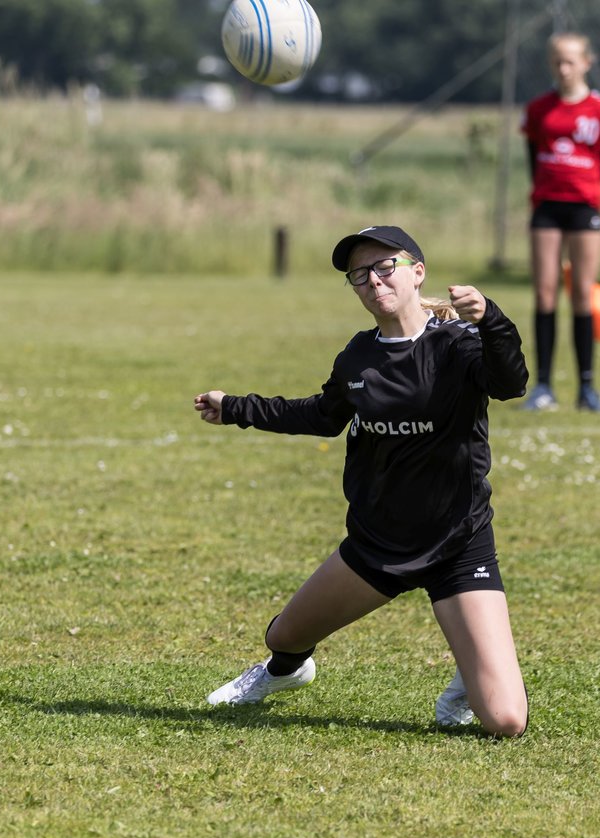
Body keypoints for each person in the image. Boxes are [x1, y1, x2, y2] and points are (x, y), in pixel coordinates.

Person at [194, 225, 530, 737]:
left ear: (417, 273)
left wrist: (492, 319)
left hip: (458, 544)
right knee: (284, 636)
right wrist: (236, 408)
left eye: (384, 266)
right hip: (378, 544)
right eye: (359, 274)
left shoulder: (458, 345)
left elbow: (511, 383)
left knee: (505, 721)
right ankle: (282, 674)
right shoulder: (358, 356)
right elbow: (322, 414)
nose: (372, 280)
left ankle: (471, 669)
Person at [520, 32, 600, 413]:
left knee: (582, 293)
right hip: (546, 207)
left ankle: (586, 388)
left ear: (586, 62)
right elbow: (533, 156)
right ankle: (543, 386)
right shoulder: (538, 109)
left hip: (584, 208)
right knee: (545, 292)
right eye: (557, 62)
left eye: (570, 61)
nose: (563, 68)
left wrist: (582, 183)